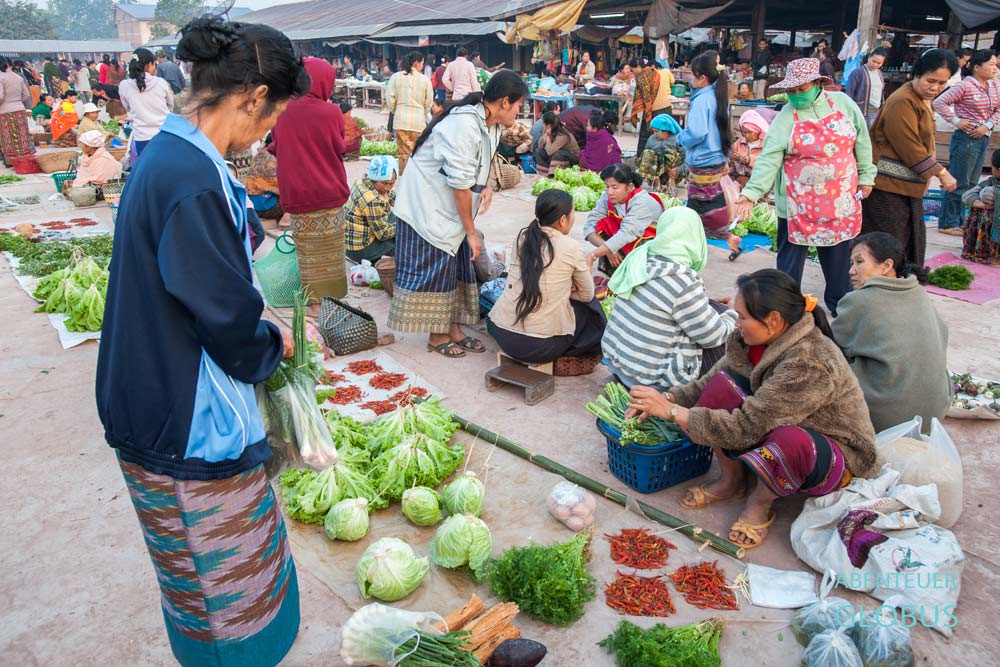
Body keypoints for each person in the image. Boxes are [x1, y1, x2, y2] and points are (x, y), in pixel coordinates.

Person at [96, 17, 308, 665]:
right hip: (178, 419)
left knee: (224, 580)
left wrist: (254, 310)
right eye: (272, 116)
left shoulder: (177, 155)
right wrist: (274, 339)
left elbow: (205, 280)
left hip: (156, 393)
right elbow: (228, 327)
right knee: (224, 603)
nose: (268, 132)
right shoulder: (188, 179)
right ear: (250, 97)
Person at [627, 269, 878, 549]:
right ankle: (731, 482)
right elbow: (708, 384)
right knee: (722, 386)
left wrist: (673, 413)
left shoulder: (809, 361)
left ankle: (760, 503)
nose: (737, 323)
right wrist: (669, 397)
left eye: (743, 317)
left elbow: (748, 427)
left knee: (789, 441)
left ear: (772, 321)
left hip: (833, 452)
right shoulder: (750, 341)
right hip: (773, 420)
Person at [389, 70, 528, 358]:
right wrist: (470, 231)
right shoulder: (463, 124)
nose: (519, 111)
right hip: (427, 206)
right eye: (518, 105)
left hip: (449, 205)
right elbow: (458, 184)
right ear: (504, 101)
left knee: (456, 267)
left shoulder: (491, 125)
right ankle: (436, 336)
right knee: (438, 269)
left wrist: (484, 186)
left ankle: (452, 329)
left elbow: (474, 169)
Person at [734, 58, 876, 316]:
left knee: (838, 261)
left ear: (818, 83)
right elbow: (769, 158)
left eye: (802, 89)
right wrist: (750, 195)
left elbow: (863, 143)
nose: (797, 95)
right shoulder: (786, 116)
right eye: (792, 91)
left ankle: (842, 310)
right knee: (789, 265)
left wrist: (867, 176)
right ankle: (784, 312)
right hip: (797, 203)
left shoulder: (844, 105)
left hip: (838, 199)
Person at [603, 207, 735, 390]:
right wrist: (733, 314)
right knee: (728, 338)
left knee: (712, 309)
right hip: (650, 380)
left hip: (621, 366)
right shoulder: (681, 280)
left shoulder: (642, 259)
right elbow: (713, 335)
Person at [833, 233, 950, 433]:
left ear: (886, 266)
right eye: (851, 263)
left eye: (859, 262)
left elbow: (830, 347)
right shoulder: (918, 292)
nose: (851, 271)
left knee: (824, 365)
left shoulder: (859, 301)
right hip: (936, 413)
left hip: (887, 420)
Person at [863, 49, 959, 268]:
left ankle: (900, 289)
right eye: (930, 80)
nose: (935, 88)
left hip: (907, 186)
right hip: (887, 187)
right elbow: (909, 145)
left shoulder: (921, 100)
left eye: (942, 83)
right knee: (887, 245)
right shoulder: (902, 101)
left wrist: (928, 176)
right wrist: (941, 173)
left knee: (906, 240)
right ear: (917, 75)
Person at [487, 188, 605, 363]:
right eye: (573, 214)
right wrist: (565, 291)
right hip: (540, 347)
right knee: (591, 307)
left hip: (502, 333)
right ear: (563, 220)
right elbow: (587, 295)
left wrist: (558, 289)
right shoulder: (571, 247)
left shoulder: (523, 237)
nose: (573, 218)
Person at [270, 57, 350, 300]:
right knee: (331, 253)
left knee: (308, 253)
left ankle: (314, 301)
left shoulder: (281, 110)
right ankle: (332, 301)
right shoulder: (331, 112)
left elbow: (275, 146)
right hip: (329, 191)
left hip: (297, 193)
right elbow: (340, 147)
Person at [679, 53, 742, 258]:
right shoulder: (717, 95)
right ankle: (703, 242)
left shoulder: (702, 99)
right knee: (705, 204)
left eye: (692, 75)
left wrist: (681, 138)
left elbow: (697, 132)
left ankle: (719, 240)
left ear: (702, 77)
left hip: (703, 159)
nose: (690, 79)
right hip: (716, 157)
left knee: (703, 206)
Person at [933, 49, 1000, 237]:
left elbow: (998, 109)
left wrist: (987, 125)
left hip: (983, 137)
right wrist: (957, 121)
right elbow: (940, 103)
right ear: (977, 67)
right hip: (965, 138)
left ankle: (961, 221)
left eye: (995, 64)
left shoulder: (994, 87)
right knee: (959, 181)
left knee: (972, 183)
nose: (995, 68)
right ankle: (947, 222)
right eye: (991, 65)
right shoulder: (965, 86)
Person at [584, 163, 664, 272]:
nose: (609, 192)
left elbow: (627, 232)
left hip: (649, 243)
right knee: (604, 224)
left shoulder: (641, 202)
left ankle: (637, 270)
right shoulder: (606, 197)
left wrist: (593, 255)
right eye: (607, 186)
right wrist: (608, 249)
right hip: (624, 239)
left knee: (623, 237)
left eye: (615, 187)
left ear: (629, 187)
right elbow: (590, 226)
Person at [118, 48, 173, 166]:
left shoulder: (124, 86)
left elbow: (127, 107)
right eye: (154, 65)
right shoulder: (161, 83)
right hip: (163, 134)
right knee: (165, 169)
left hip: (141, 137)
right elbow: (170, 106)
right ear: (149, 65)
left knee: (148, 170)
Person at [344, 155, 398, 263]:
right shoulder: (372, 200)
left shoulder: (364, 180)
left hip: (349, 243)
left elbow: (390, 195)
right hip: (361, 249)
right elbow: (383, 234)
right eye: (384, 183)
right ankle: (376, 259)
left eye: (391, 183)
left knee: (395, 216)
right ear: (375, 178)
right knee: (403, 236)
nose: (387, 187)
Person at [387, 51, 433, 174]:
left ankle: (404, 179)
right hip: (418, 122)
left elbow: (390, 100)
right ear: (417, 63)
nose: (422, 66)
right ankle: (415, 178)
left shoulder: (395, 77)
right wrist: (421, 113)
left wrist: (397, 111)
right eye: (422, 63)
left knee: (403, 154)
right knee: (417, 153)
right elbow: (429, 102)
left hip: (401, 121)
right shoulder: (424, 80)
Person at [961, 148, 1000, 264]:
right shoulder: (991, 182)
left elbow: (986, 194)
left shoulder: (990, 188)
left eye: (992, 167)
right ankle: (983, 251)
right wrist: (982, 205)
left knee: (988, 214)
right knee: (977, 208)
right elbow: (967, 195)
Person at [637, 113, 687, 190]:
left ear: (666, 130)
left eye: (657, 131)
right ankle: (657, 184)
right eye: (653, 131)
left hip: (673, 173)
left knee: (668, 153)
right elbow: (645, 159)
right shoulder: (651, 139)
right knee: (648, 153)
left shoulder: (678, 140)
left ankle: (671, 184)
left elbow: (687, 160)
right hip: (656, 174)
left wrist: (678, 170)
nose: (655, 134)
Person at [0, 57, 33, 167]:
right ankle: (25, 158)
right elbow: (27, 95)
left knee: (7, 136)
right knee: (22, 135)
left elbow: (0, 96)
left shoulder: (1, 77)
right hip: (19, 109)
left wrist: (8, 103)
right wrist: (17, 101)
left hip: (4, 110)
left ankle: (11, 161)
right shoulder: (18, 76)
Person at [631, 55, 667, 153]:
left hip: (654, 109)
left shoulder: (642, 76)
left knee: (647, 136)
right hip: (666, 108)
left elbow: (646, 96)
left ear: (638, 67)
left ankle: (643, 158)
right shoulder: (654, 72)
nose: (633, 73)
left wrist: (647, 114)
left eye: (632, 69)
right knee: (664, 136)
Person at [846, 47, 888, 126]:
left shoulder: (879, 73)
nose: (875, 64)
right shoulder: (858, 72)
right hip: (862, 109)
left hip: (877, 109)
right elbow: (849, 93)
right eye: (873, 61)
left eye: (879, 63)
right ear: (869, 57)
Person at [729, 109, 770, 187]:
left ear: (758, 131)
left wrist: (750, 160)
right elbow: (730, 163)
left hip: (759, 181)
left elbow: (768, 164)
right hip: (739, 180)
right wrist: (731, 159)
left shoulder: (766, 145)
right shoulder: (739, 143)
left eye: (750, 132)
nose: (747, 135)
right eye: (744, 132)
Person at [534, 111, 580, 176]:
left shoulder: (562, 135)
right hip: (555, 155)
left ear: (549, 125)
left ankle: (552, 175)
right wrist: (546, 135)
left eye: (543, 123)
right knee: (538, 151)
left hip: (571, 159)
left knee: (558, 153)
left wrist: (548, 137)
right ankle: (543, 174)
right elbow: (540, 145)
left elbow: (550, 151)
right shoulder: (548, 130)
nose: (543, 125)